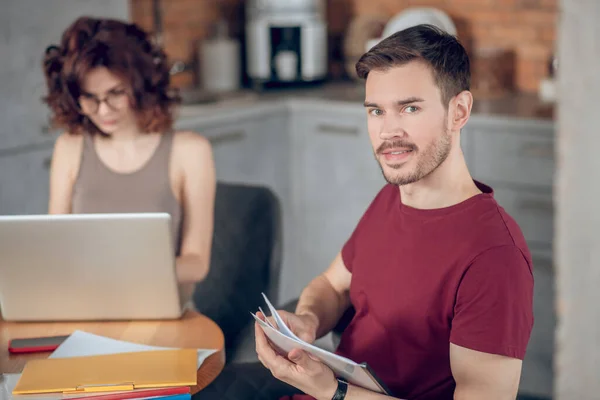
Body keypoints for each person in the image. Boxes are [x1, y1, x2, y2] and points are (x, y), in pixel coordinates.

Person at [196, 24, 534, 400]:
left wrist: (334, 391)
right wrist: (308, 320)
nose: (389, 131)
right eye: (376, 111)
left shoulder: (494, 256)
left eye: (409, 108)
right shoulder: (392, 198)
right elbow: (332, 285)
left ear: (459, 111)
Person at [43, 17, 216, 299]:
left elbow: (196, 264)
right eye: (90, 98)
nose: (103, 110)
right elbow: (56, 246)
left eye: (115, 94)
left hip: (162, 309)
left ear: (141, 86)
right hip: (85, 303)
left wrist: (115, 271)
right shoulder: (69, 147)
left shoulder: (190, 151)